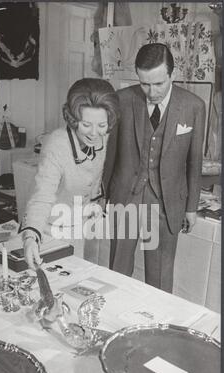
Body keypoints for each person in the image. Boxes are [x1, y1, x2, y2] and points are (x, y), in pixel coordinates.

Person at [104, 43, 206, 293]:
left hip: (167, 202)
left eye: (159, 83)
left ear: (173, 74)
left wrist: (191, 207)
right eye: (144, 84)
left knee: (160, 279)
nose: (151, 91)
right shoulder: (122, 100)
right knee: (118, 271)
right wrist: (102, 195)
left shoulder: (194, 106)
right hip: (126, 196)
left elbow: (194, 162)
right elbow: (111, 154)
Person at [20, 78, 120, 270]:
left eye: (101, 125)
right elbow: (42, 195)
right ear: (73, 119)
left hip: (80, 225)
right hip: (49, 229)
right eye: (86, 124)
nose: (94, 133)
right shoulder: (56, 144)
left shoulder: (104, 137)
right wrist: (31, 237)